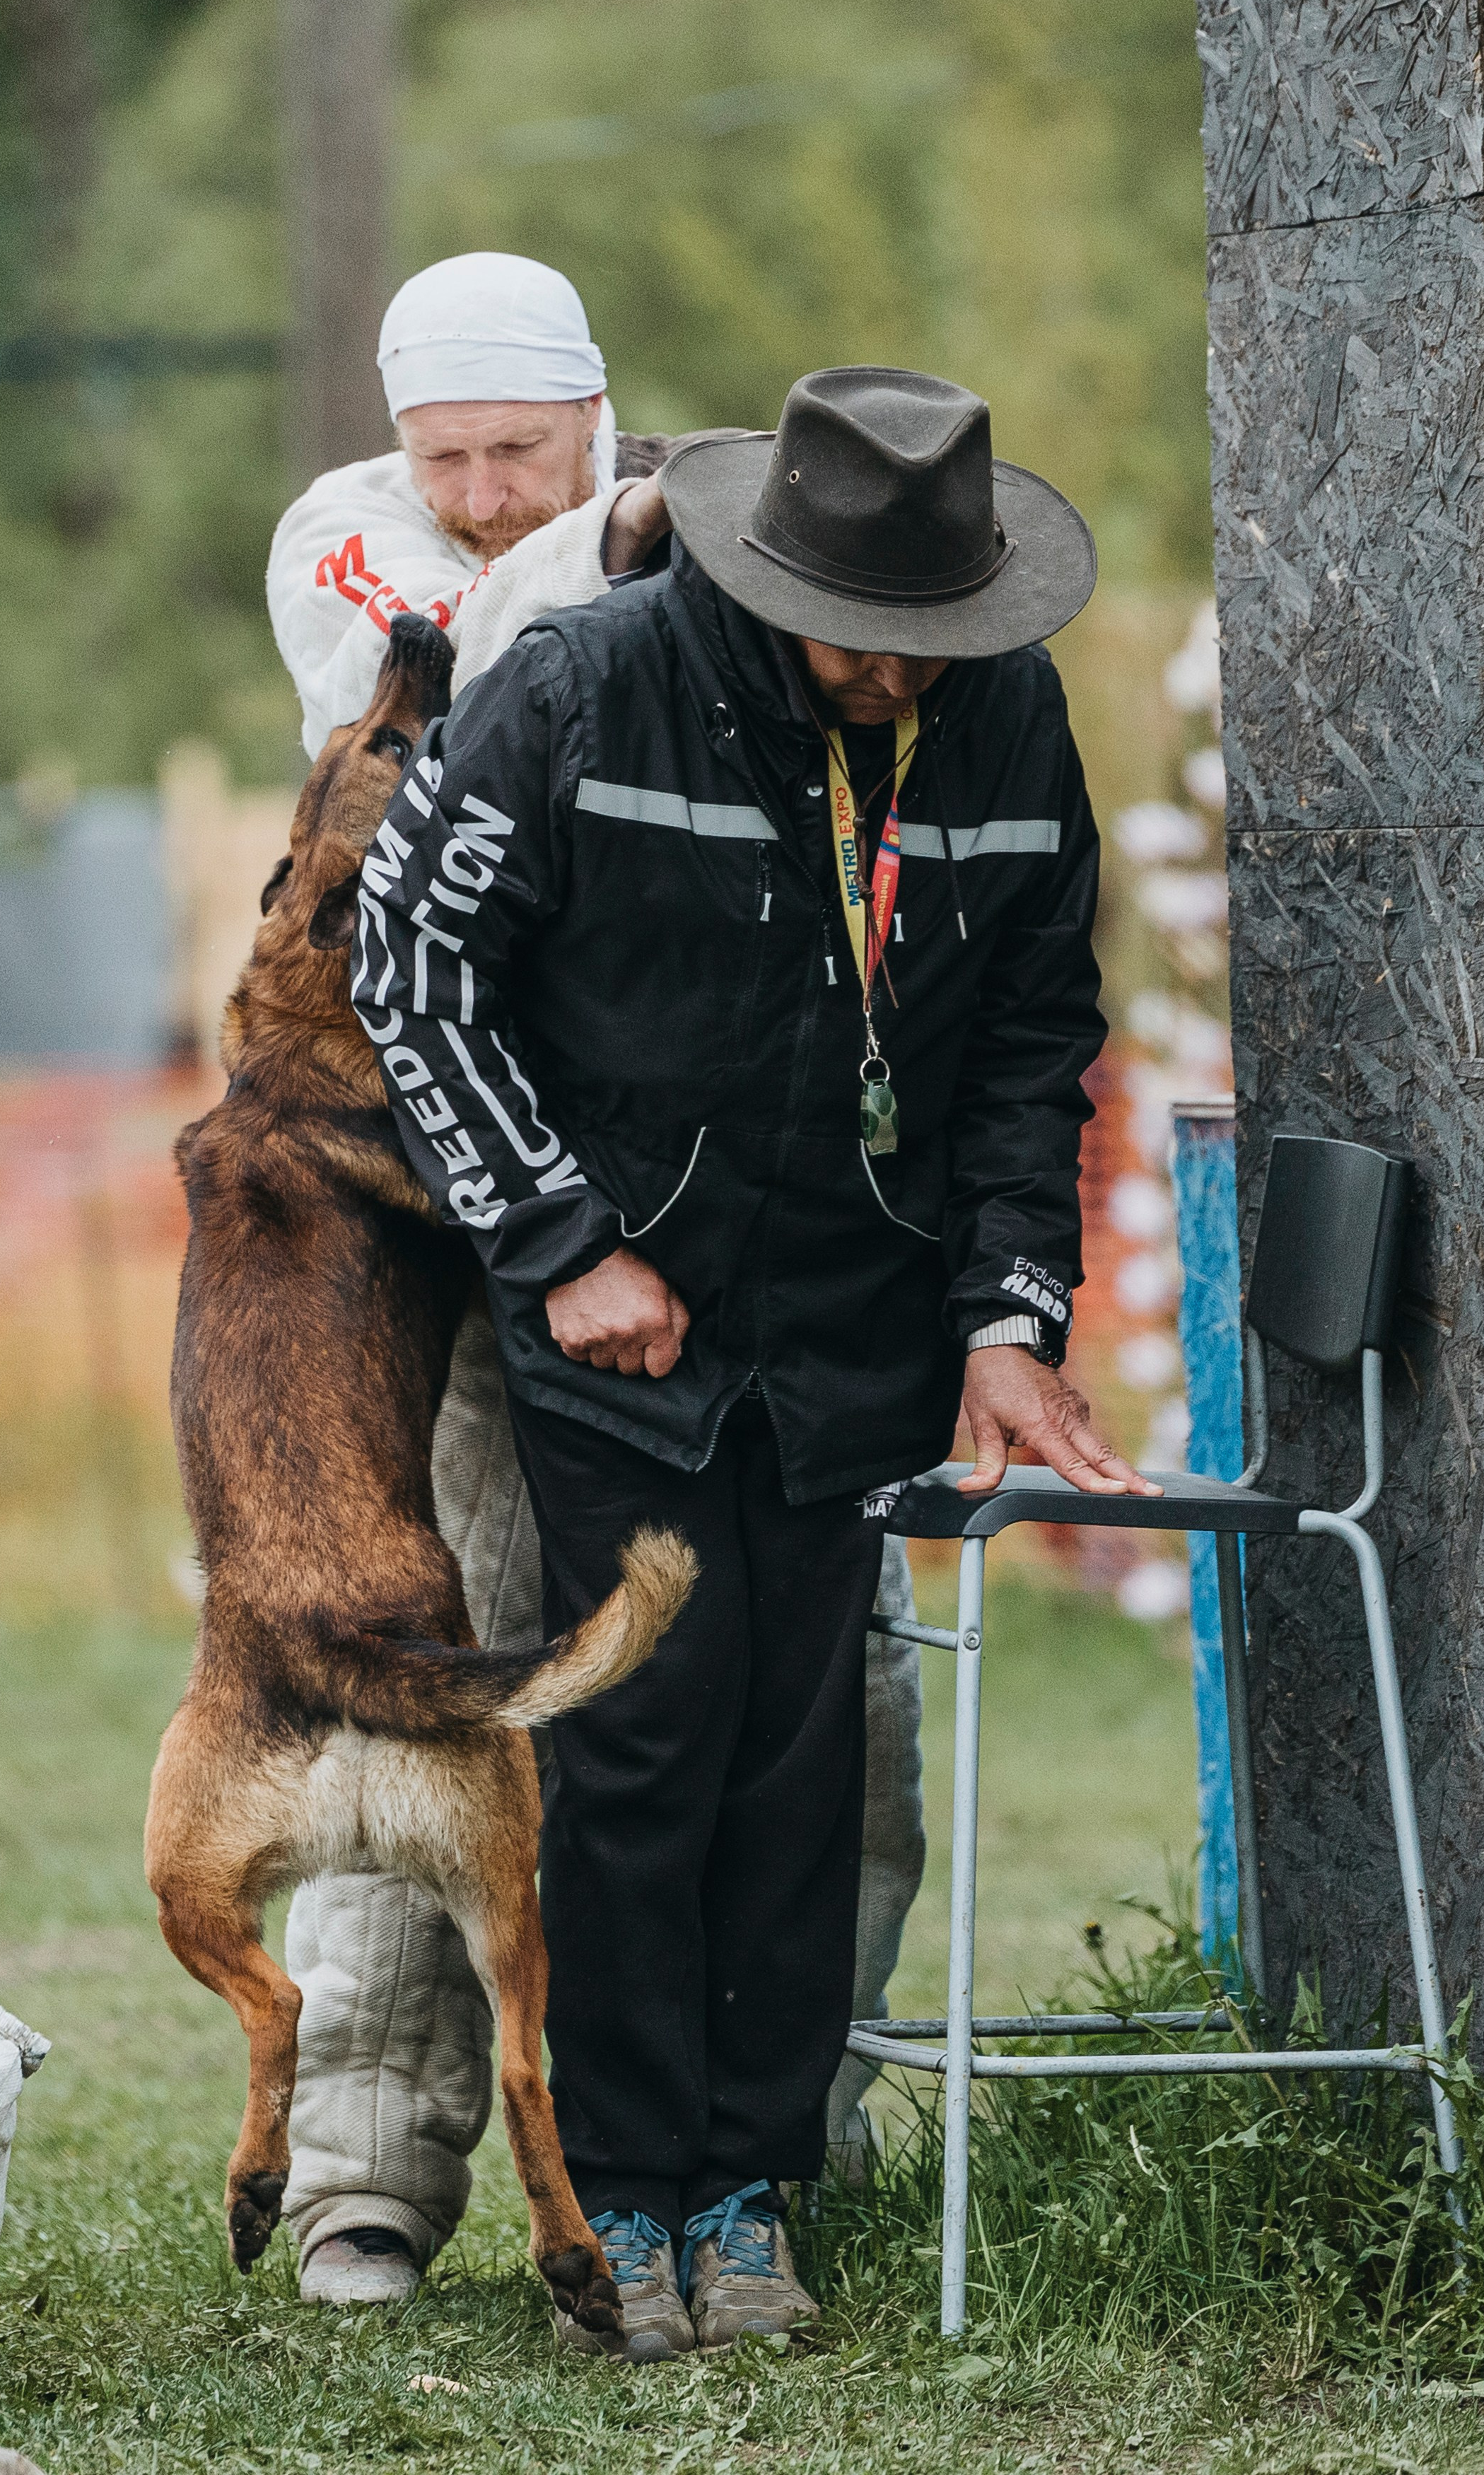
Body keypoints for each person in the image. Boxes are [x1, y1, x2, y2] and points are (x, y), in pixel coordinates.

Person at [354, 365, 1156, 2359]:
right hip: (625, 1319)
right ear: (765, 568)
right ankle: (621, 2204)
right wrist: (560, 1241)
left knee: (802, 1759)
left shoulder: (997, 710)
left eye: (937, 641)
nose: (903, 677)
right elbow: (408, 971)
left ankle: (746, 2188)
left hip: (857, 1325)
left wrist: (1005, 1319)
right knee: (639, 1747)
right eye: (870, 641)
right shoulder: (572, 689)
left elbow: (1032, 1033)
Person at [265, 255, 928, 2307]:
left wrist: (677, 535)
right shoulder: (342, 537)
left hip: (718, 1203)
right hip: (442, 1202)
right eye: (442, 446)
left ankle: (775, 2141)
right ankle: (370, 2164)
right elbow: (472, 677)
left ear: (594, 410)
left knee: (843, 1695)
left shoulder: (680, 524)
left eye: (517, 448)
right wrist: (635, 529)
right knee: (457, 1656)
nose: (468, 484)